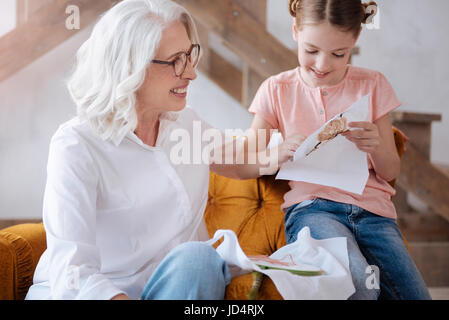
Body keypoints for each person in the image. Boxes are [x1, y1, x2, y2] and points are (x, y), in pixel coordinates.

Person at [25, 0, 283, 300]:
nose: (190, 74)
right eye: (175, 60)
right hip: (98, 293)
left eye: (189, 56)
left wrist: (297, 142)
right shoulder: (76, 146)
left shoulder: (184, 123)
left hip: (177, 287)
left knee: (199, 259)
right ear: (129, 67)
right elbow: (72, 271)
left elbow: (239, 160)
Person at [243, 0, 431, 300]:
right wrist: (274, 155)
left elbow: (390, 171)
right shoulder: (276, 89)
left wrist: (377, 146)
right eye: (311, 51)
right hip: (313, 209)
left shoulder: (372, 84)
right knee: (357, 284)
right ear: (295, 31)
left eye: (338, 54)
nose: (322, 65)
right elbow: (248, 158)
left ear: (354, 41)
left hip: (375, 214)